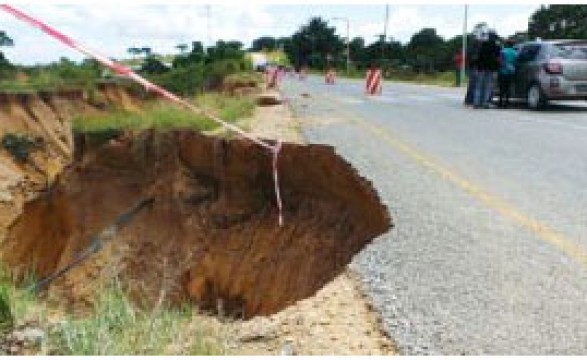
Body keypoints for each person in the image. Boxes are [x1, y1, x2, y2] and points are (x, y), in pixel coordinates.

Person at [473, 30, 500, 109]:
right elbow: (497, 59)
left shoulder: (483, 45)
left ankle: (476, 102)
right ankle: (485, 103)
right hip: (491, 68)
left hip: (481, 68)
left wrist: (477, 67)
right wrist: (496, 69)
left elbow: (479, 57)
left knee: (479, 85)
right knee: (488, 86)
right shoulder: (497, 47)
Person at [497, 39, 517, 108]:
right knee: (508, 88)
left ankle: (500, 103)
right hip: (511, 72)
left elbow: (499, 61)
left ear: (507, 44)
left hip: (502, 72)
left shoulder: (503, 51)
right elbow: (516, 62)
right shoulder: (515, 53)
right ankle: (506, 103)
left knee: (501, 88)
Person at [464, 37, 481, 105]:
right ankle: (470, 100)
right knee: (474, 85)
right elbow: (473, 59)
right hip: (474, 68)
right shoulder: (474, 50)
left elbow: (468, 59)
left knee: (472, 85)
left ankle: (469, 99)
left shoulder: (470, 49)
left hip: (472, 68)